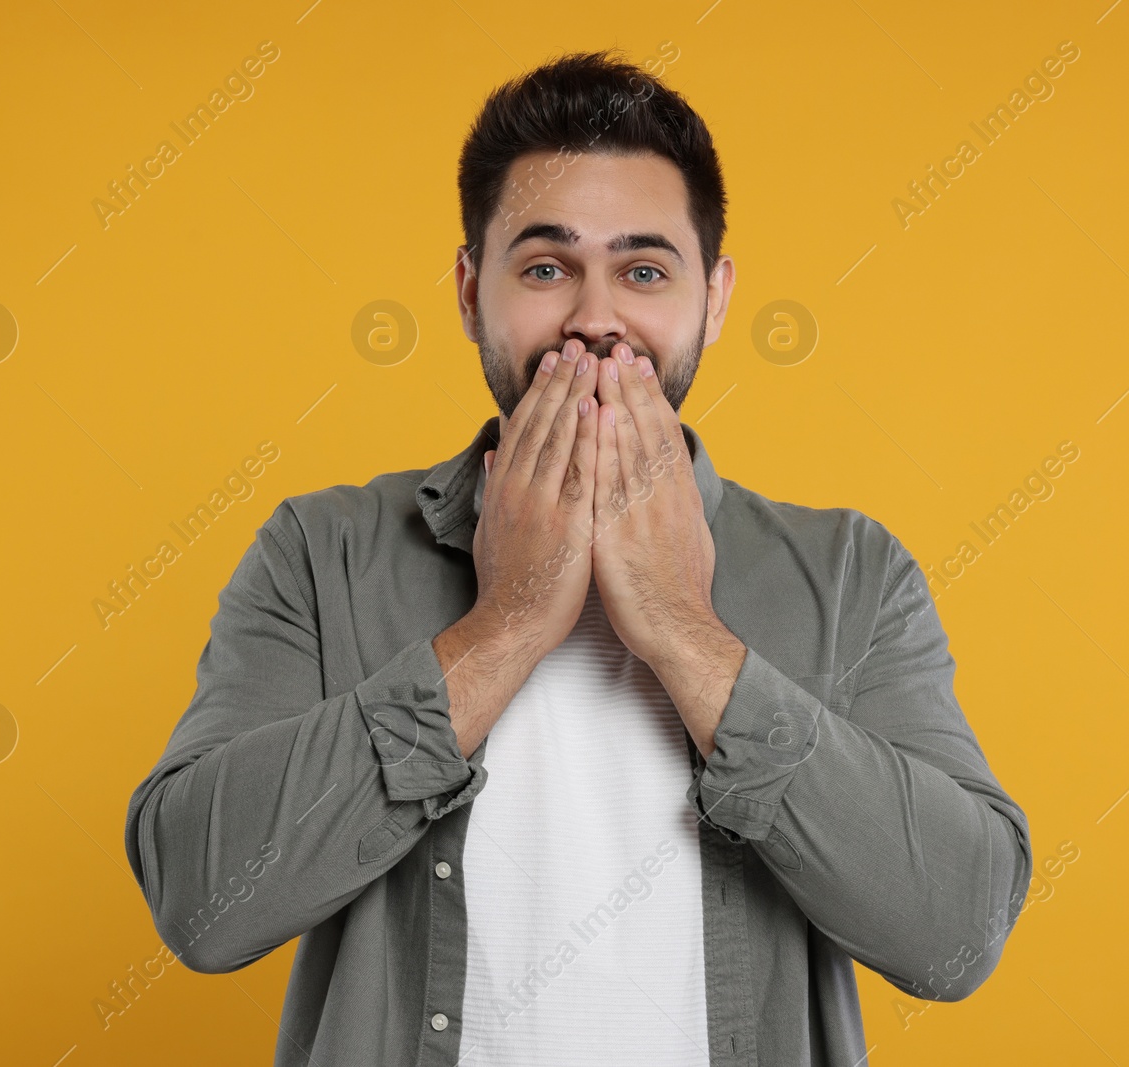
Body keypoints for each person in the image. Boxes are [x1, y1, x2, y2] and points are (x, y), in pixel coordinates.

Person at [123, 49, 1033, 1066]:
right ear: (472, 292)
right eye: (546, 267)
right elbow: (201, 904)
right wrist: (504, 624)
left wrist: (685, 632)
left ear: (715, 298)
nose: (596, 318)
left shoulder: (852, 574)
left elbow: (954, 934)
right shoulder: (320, 551)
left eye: (643, 270)